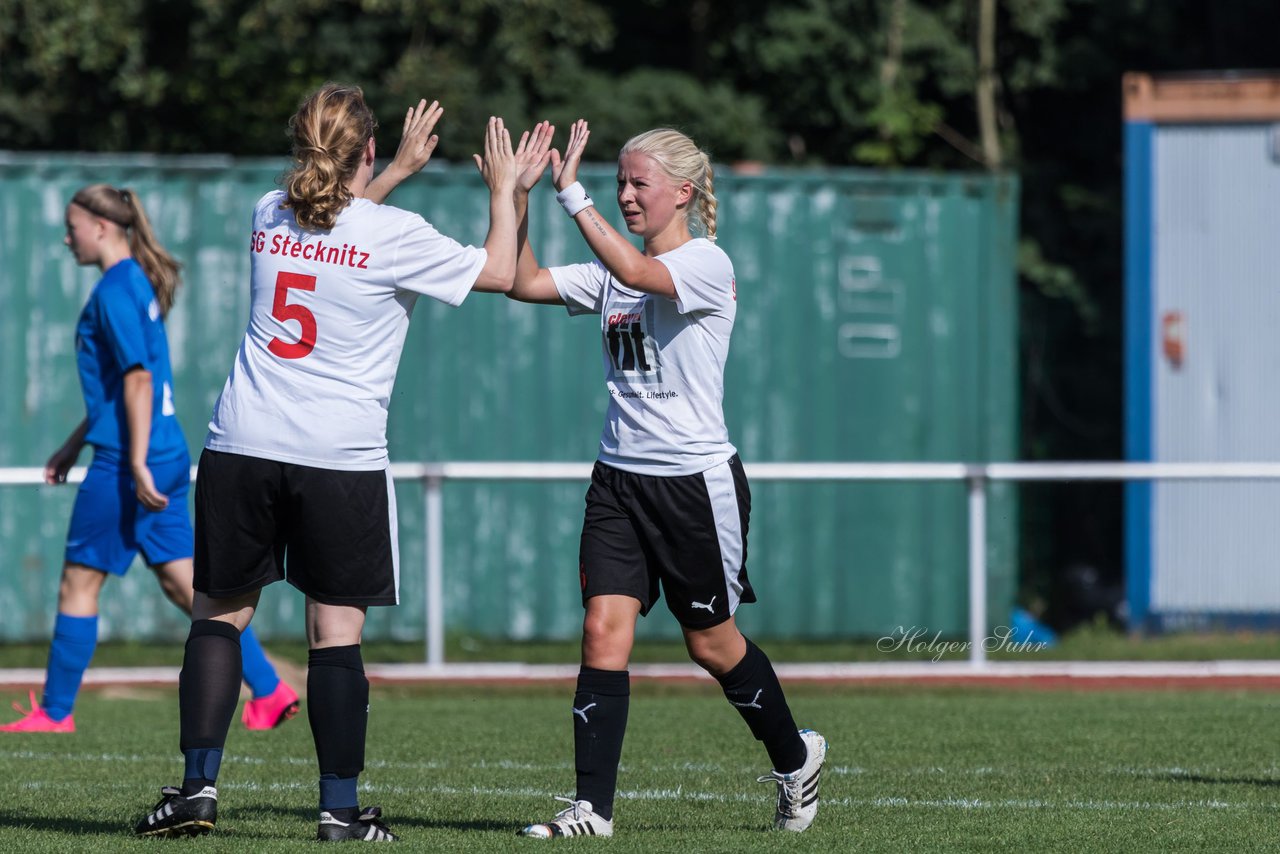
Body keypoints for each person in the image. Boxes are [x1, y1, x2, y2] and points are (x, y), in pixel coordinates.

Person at [133, 83, 533, 842]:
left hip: (242, 443)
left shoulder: (267, 213)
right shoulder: (395, 232)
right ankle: (339, 811)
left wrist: (391, 174)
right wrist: (505, 191)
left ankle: (195, 791)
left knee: (217, 616)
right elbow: (502, 271)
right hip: (337, 456)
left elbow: (334, 225)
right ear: (369, 151)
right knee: (335, 633)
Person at [507, 121, 827, 838]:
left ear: (683, 192)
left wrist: (572, 194)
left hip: (693, 486)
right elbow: (522, 279)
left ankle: (794, 757)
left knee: (711, 642)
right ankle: (593, 810)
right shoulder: (613, 272)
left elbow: (639, 274)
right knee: (601, 631)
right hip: (618, 481)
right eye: (618, 182)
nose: (624, 195)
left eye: (636, 183)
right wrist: (516, 195)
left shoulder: (706, 263)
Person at [1, 184, 299, 736]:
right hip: (161, 450)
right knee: (184, 584)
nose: (66, 238)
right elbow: (123, 386)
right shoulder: (134, 282)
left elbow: (138, 378)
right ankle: (271, 689)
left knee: (79, 583)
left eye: (72, 227)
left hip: (128, 462)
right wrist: (74, 442)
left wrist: (131, 460)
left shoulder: (115, 289)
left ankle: (55, 712)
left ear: (101, 227)